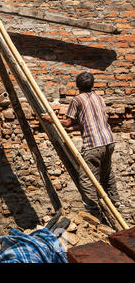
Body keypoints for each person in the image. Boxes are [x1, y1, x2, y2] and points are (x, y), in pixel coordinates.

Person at [42, 71, 122, 213]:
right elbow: (88, 122)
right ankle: (115, 201)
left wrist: (52, 119)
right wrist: (73, 128)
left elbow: (67, 122)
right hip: (109, 141)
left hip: (93, 144)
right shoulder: (99, 98)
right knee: (107, 173)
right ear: (92, 85)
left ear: (77, 85)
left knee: (86, 178)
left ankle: (93, 209)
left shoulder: (77, 100)